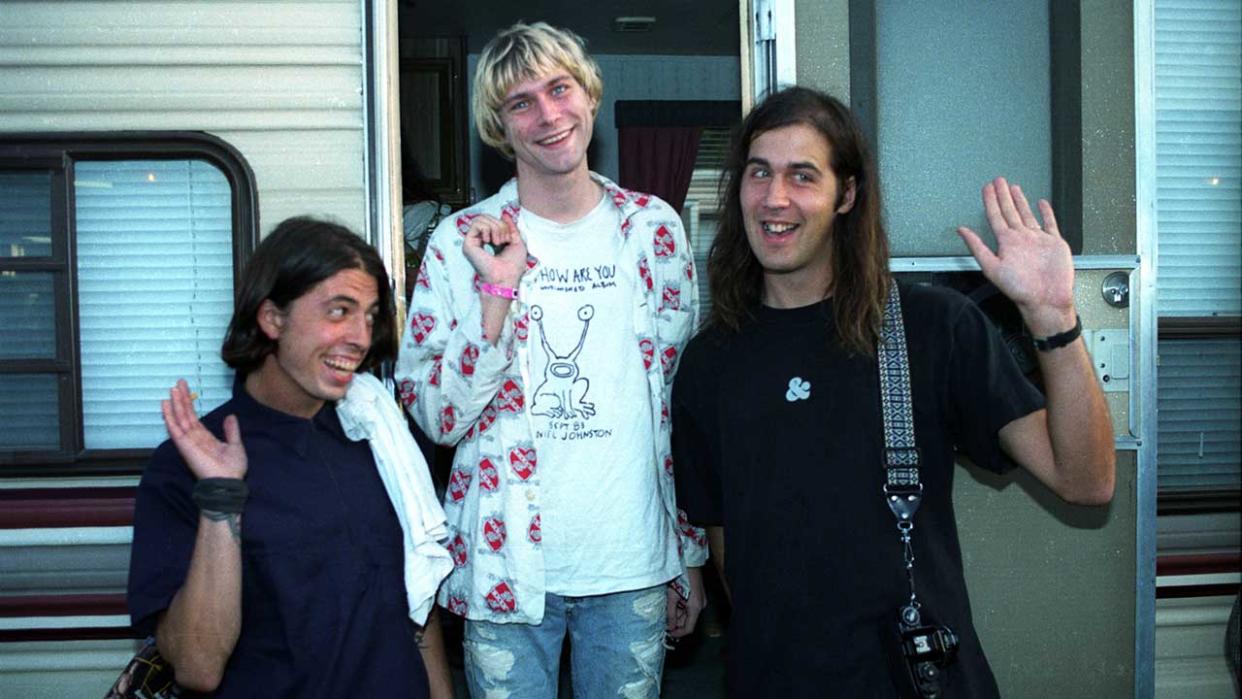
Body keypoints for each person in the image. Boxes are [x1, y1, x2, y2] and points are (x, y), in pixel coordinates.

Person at [672, 87, 1116, 697]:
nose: (775, 198)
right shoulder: (708, 361)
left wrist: (1052, 314)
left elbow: (1088, 481)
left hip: (915, 679)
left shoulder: (933, 327)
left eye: (803, 176)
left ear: (846, 196)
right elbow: (728, 549)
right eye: (759, 173)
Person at [394, 21, 708, 698]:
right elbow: (436, 415)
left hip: (633, 564)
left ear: (589, 97)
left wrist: (687, 551)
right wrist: (497, 296)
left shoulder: (654, 229)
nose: (548, 115)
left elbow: (676, 406)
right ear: (499, 127)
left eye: (559, 89)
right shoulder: (459, 242)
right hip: (505, 568)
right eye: (521, 103)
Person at [127, 217, 453, 697]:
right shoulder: (189, 463)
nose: (361, 338)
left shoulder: (377, 434)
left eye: (369, 315)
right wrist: (222, 498)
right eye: (339, 311)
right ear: (271, 318)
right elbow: (197, 666)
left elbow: (416, 605)